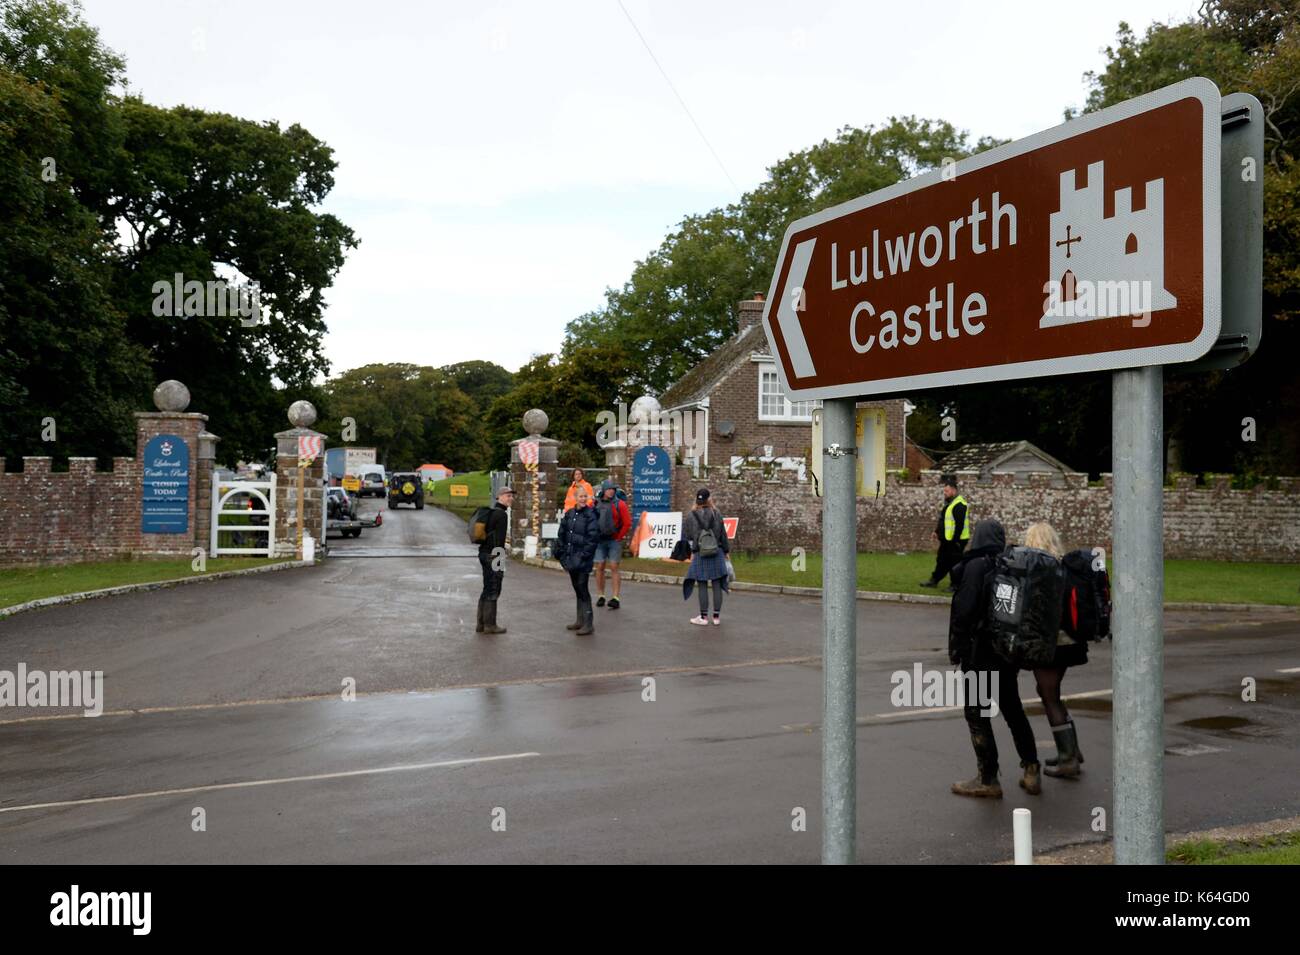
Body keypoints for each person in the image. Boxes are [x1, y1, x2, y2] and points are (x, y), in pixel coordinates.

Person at [947, 519, 1040, 797]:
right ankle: (1032, 769)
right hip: (1006, 652)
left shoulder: (975, 566)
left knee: (977, 714)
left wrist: (958, 648)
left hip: (979, 654)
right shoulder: (1008, 565)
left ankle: (988, 778)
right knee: (1013, 711)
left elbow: (965, 610)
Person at [1024, 521, 1088, 779]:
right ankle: (1071, 750)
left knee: (1049, 695)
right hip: (1070, 641)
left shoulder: (1043, 571)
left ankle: (1068, 759)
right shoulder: (1064, 566)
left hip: (1054, 644)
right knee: (1049, 691)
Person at [556, 486, 601, 635]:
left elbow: (592, 539)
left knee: (583, 589)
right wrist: (561, 553)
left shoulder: (591, 515)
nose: (583, 499)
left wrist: (583, 556)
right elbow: (562, 534)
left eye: (585, 496)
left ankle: (588, 624)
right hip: (570, 559)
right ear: (575, 497)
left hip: (583, 561)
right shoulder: (569, 514)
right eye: (580, 496)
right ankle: (579, 620)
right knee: (577, 589)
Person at [683, 488, 730, 626]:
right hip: (717, 551)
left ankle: (703, 617)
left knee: (702, 584)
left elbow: (687, 534)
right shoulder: (717, 514)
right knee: (717, 583)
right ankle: (716, 618)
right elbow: (723, 534)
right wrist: (726, 551)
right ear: (709, 499)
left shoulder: (691, 516)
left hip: (699, 553)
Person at [921, 475, 969, 591]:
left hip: (956, 540)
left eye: (946, 491)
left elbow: (959, 525)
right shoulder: (949, 503)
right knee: (941, 560)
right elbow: (943, 519)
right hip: (947, 539)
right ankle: (934, 580)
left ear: (953, 490)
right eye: (944, 491)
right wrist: (937, 531)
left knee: (954, 563)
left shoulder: (959, 504)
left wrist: (955, 541)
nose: (945, 493)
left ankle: (955, 585)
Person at [476, 486, 513, 635]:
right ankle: (490, 625)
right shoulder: (502, 515)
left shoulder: (491, 513)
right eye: (508, 495)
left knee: (486, 588)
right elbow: (499, 540)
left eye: (511, 496)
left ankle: (481, 624)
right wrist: (500, 557)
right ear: (499, 497)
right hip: (495, 555)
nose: (511, 498)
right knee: (493, 588)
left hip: (484, 553)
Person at [593, 479, 631, 609]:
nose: (611, 491)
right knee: (600, 566)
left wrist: (618, 537)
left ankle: (615, 597)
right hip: (599, 540)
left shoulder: (619, 504)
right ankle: (600, 595)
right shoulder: (595, 503)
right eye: (609, 489)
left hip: (614, 540)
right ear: (604, 490)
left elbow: (627, 523)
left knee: (614, 566)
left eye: (613, 489)